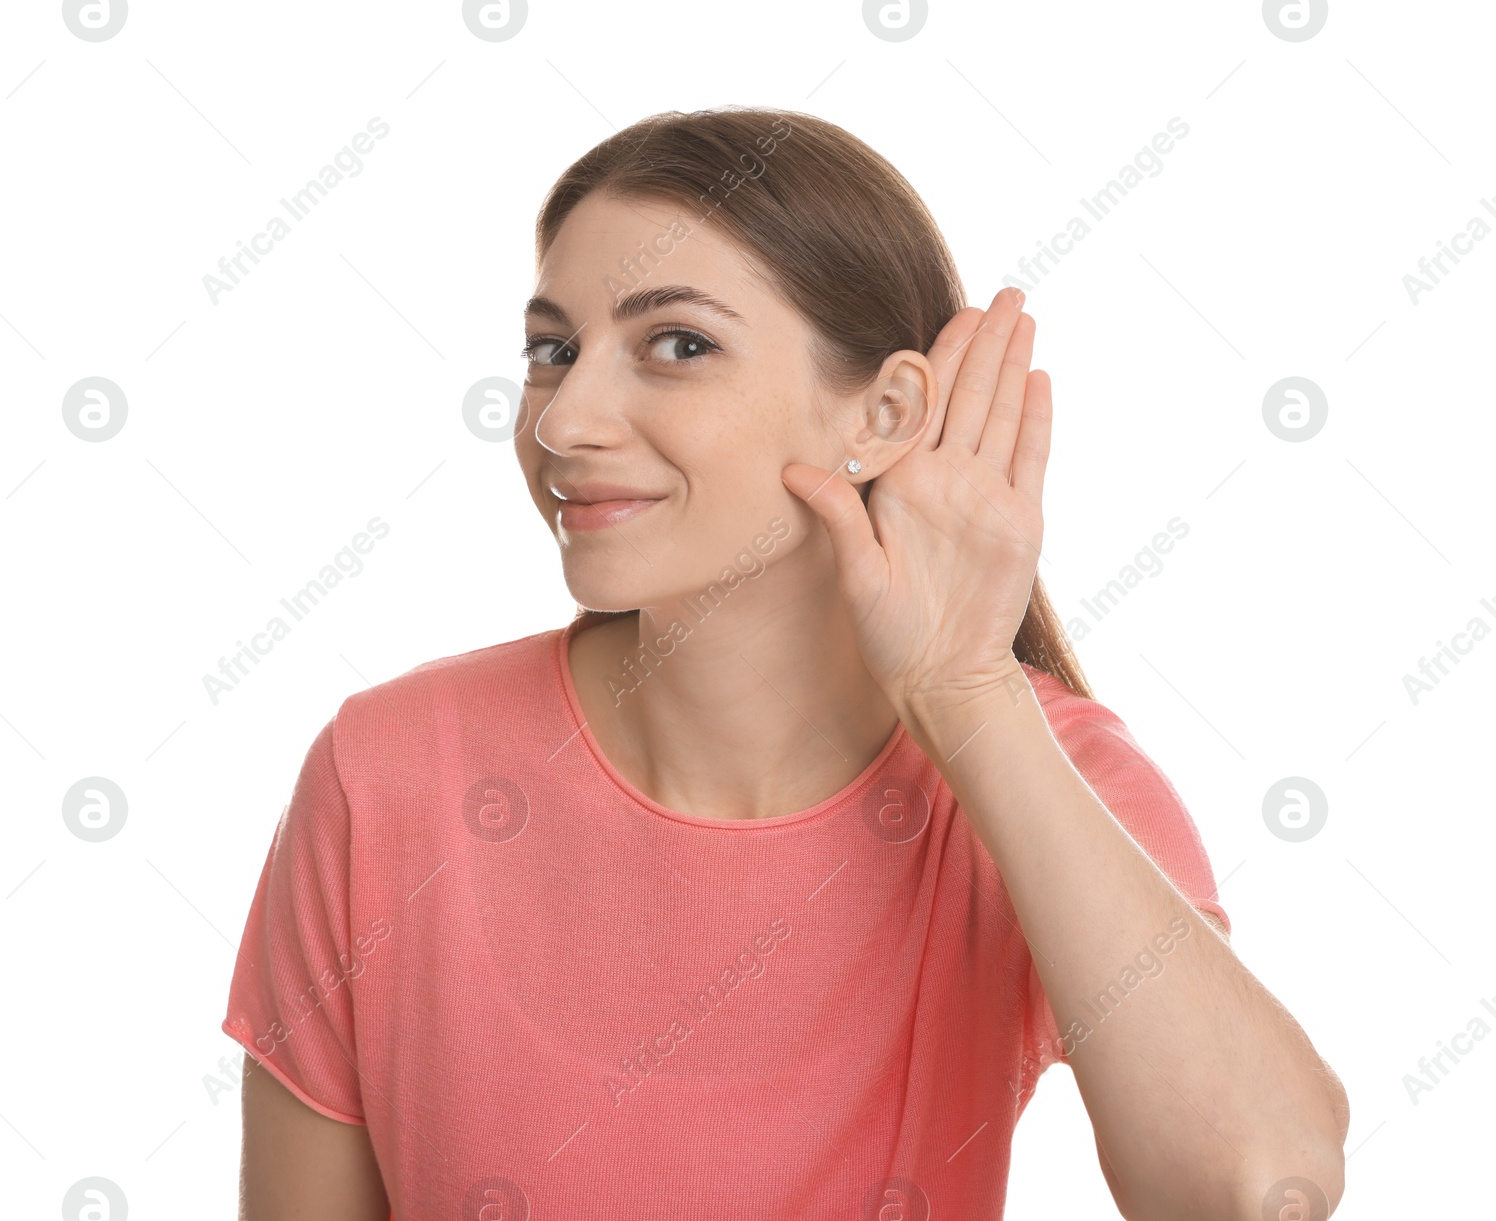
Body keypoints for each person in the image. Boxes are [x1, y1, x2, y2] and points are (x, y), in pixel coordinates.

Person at [225, 106, 1349, 1220]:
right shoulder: (387, 777)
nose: (565, 419)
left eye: (677, 345)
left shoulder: (1030, 771)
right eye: (551, 351)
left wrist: (964, 694)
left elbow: (1255, 1190)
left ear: (886, 410)